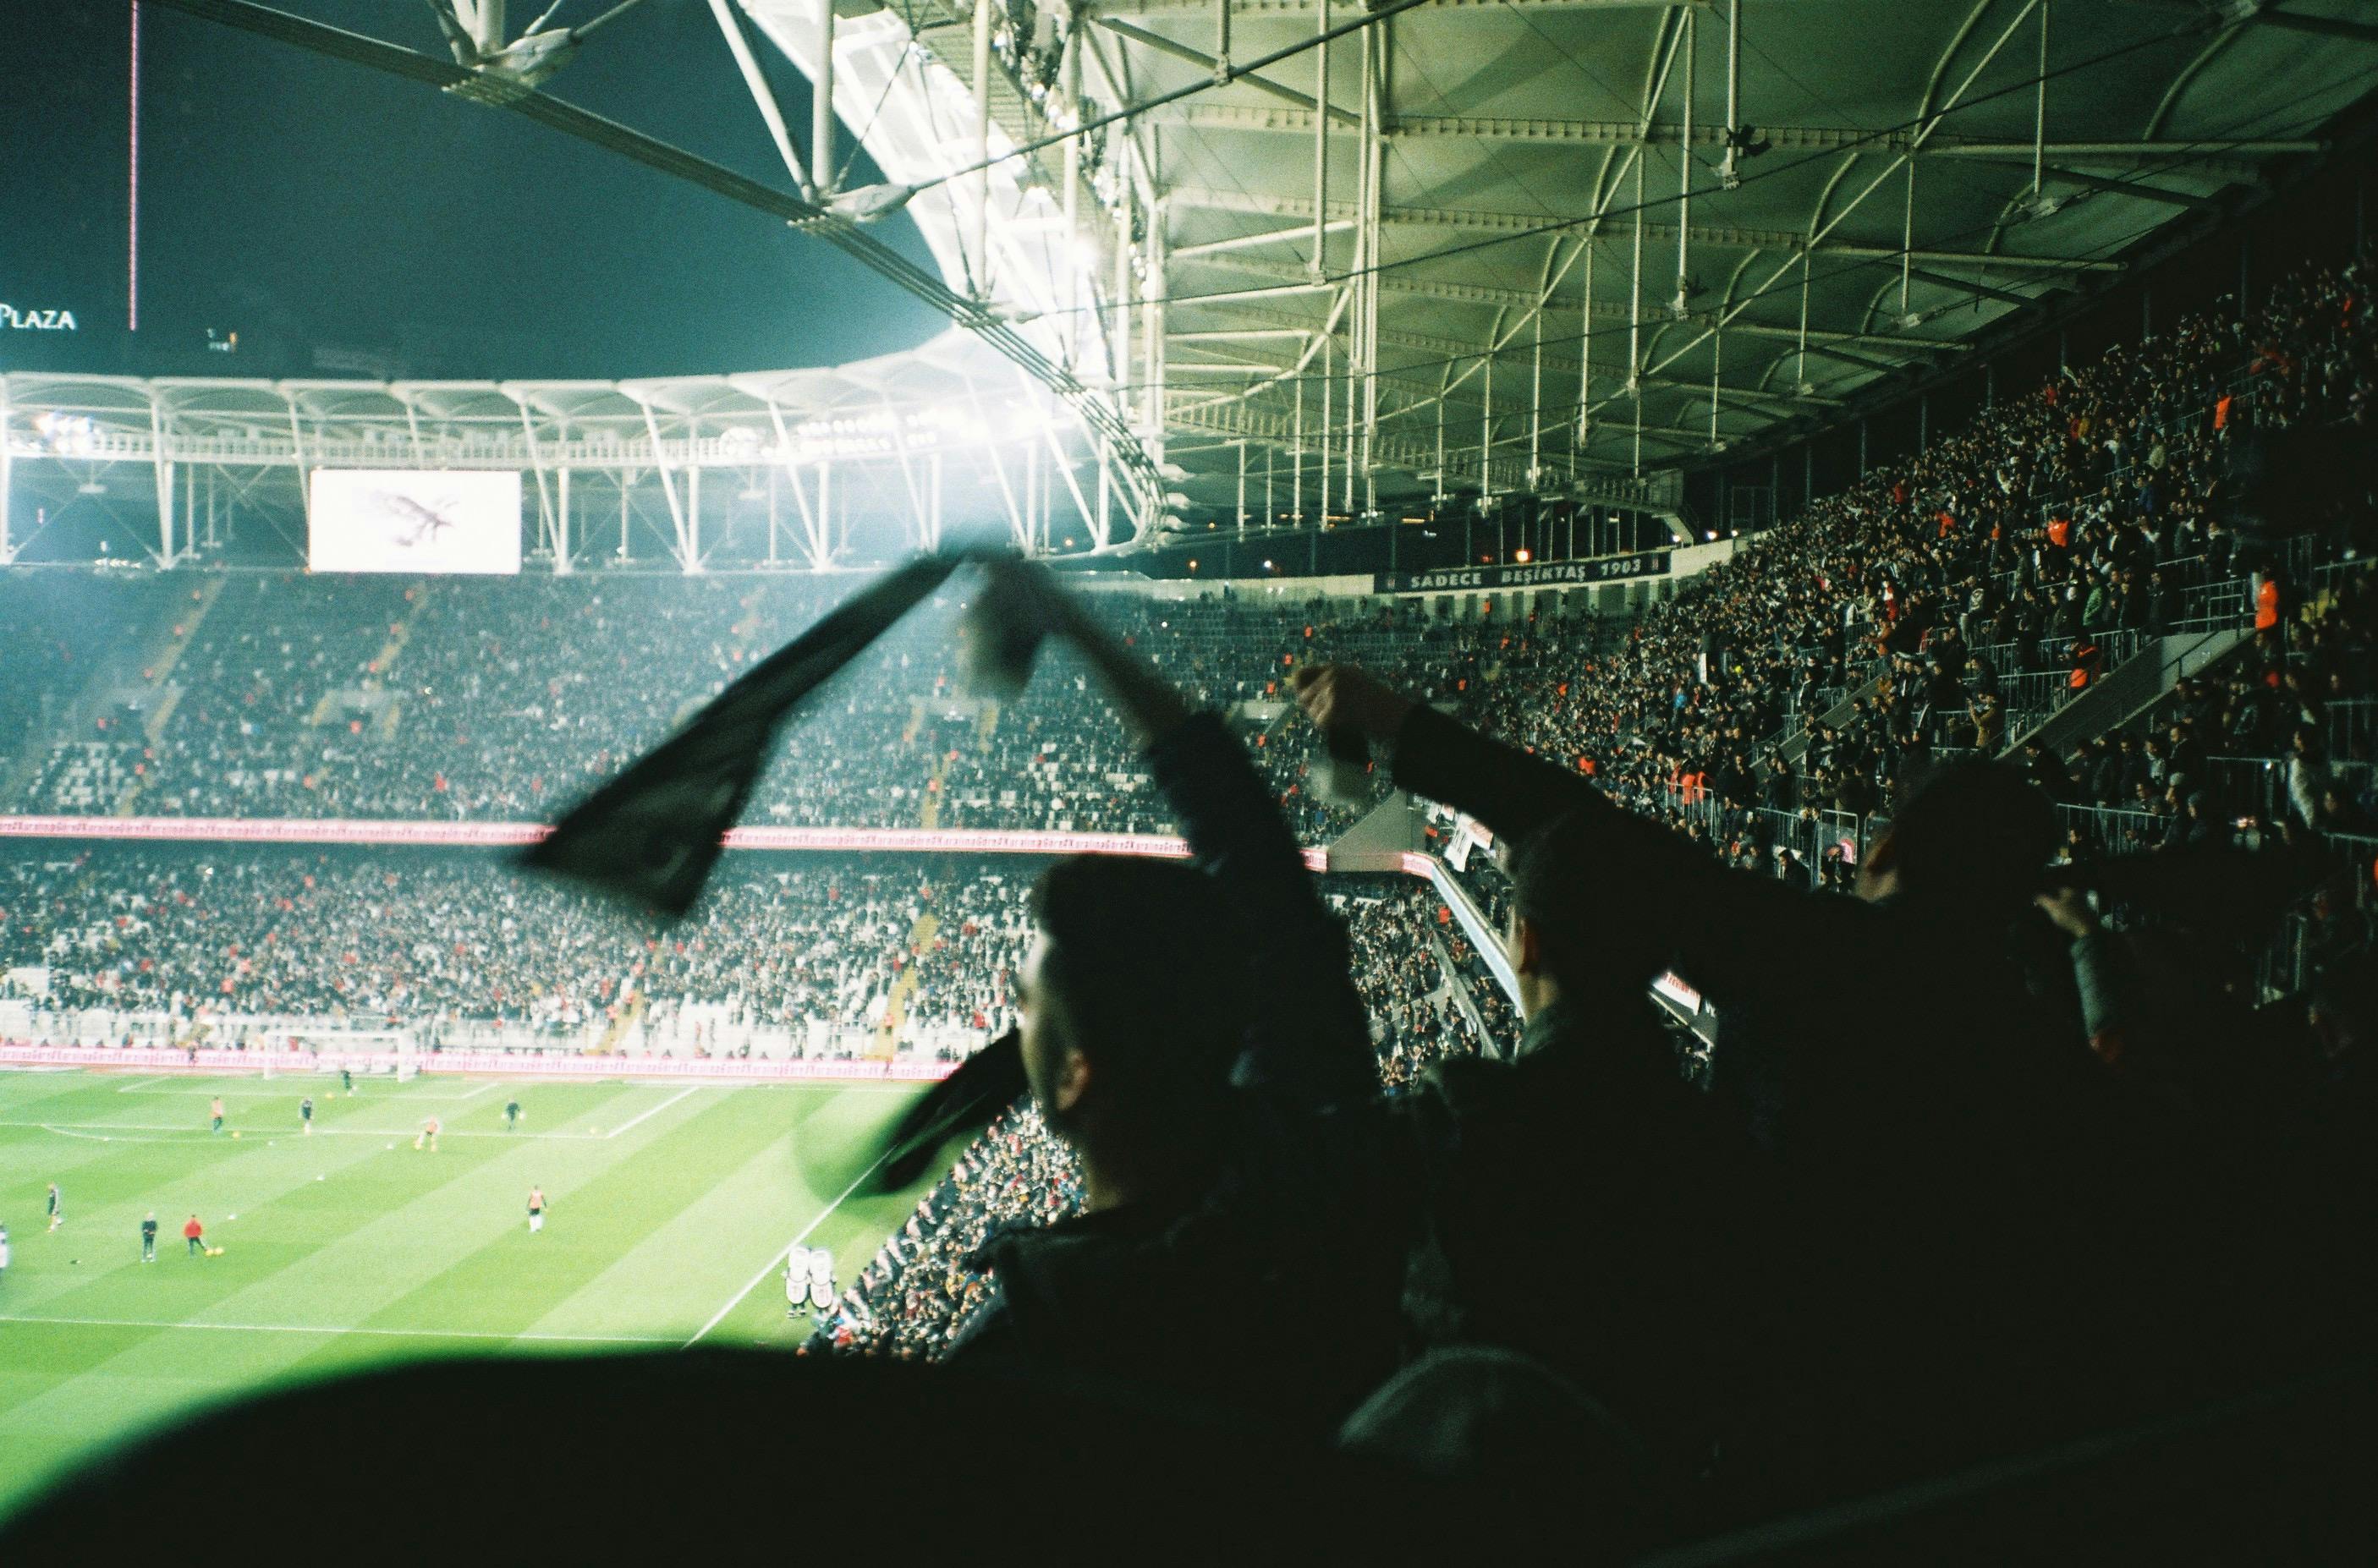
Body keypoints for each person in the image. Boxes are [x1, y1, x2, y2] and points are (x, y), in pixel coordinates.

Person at [1294, 662, 2134, 1505]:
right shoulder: (2037, 1051)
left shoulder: (1829, 959)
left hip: (1785, 1421)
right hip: (1957, 1457)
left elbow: (1593, 845)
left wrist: (1398, 721)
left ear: (1882, 850)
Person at [939, 563, 1404, 1441]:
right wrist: (1078, 628)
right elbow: (1258, 863)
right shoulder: (1314, 1171)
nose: (1012, 1004)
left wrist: (1069, 624)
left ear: (1079, 1075)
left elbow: (1257, 869)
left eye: (1025, 997)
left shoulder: (1022, 1356)